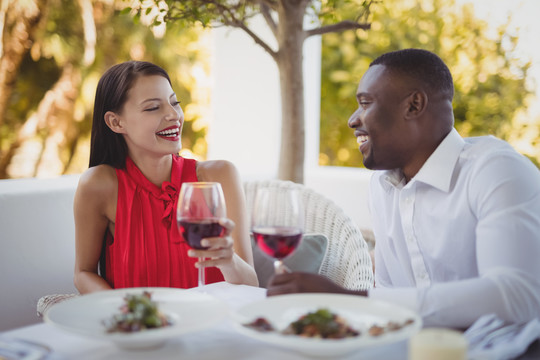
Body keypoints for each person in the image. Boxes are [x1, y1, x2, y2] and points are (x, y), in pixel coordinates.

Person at [267, 48, 540, 329]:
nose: (352, 120)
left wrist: (347, 299)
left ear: (414, 105)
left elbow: (517, 295)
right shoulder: (382, 185)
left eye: (365, 103)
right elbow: (387, 291)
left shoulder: (496, 171)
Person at [74, 61, 258, 293]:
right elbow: (83, 273)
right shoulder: (99, 185)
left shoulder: (220, 176)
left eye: (174, 103)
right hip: (144, 327)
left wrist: (228, 260)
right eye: (153, 108)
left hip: (214, 323)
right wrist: (124, 310)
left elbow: (251, 284)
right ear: (116, 122)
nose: (174, 115)